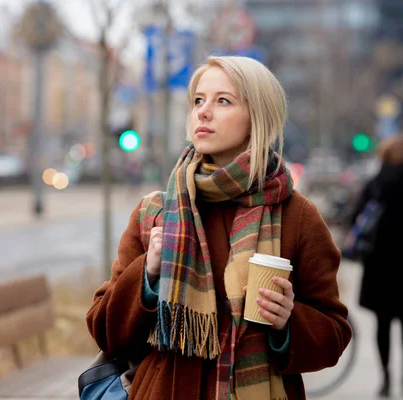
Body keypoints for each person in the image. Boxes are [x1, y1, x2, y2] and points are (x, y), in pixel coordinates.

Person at [86, 56, 352, 400]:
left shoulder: (297, 216)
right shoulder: (155, 212)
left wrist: (288, 322)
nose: (204, 112)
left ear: (257, 117)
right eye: (199, 100)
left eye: (223, 100)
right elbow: (105, 331)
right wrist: (148, 274)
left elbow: (334, 333)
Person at [349, 136, 403, 397]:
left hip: (379, 267)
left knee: (382, 324)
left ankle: (386, 378)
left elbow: (357, 220)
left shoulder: (375, 185)